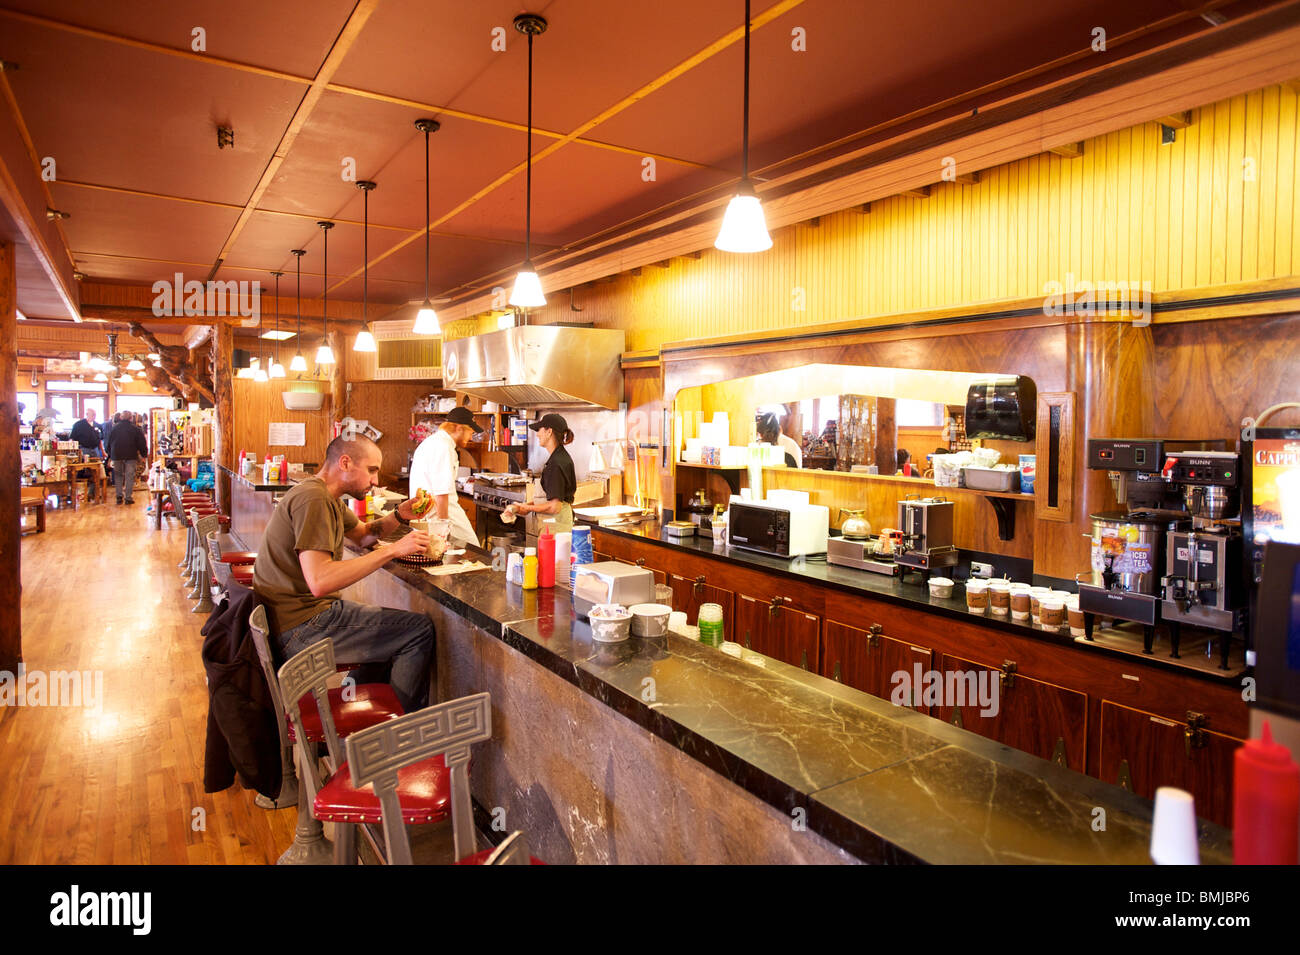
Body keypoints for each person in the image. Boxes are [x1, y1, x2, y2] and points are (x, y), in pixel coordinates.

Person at [253, 434, 436, 712]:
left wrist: (399, 514)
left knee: (389, 634)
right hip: (301, 627)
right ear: (346, 462)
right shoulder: (313, 499)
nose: (375, 481)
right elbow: (321, 581)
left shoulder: (327, 497)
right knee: (417, 631)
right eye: (372, 470)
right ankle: (397, 736)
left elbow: (363, 537)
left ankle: (359, 716)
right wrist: (392, 550)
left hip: (292, 618)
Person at [409, 406, 482, 546]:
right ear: (459, 428)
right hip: (440, 514)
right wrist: (443, 528)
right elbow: (441, 492)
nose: (471, 437)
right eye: (470, 432)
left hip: (428, 514)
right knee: (472, 549)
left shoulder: (434, 442)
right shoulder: (443, 447)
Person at [509, 413, 577, 539]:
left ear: (549, 431)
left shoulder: (556, 463)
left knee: (555, 559)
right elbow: (549, 499)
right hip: (555, 525)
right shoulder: (558, 457)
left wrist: (528, 507)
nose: (537, 434)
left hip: (556, 527)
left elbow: (554, 507)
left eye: (539, 430)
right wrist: (526, 506)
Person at [106, 411, 148, 504]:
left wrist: (109, 454)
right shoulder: (136, 429)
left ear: (121, 417)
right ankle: (128, 498)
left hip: (116, 455)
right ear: (131, 418)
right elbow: (141, 443)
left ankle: (119, 496)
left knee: (118, 475)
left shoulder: (114, 428)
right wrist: (144, 455)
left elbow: (108, 442)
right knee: (130, 476)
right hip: (131, 455)